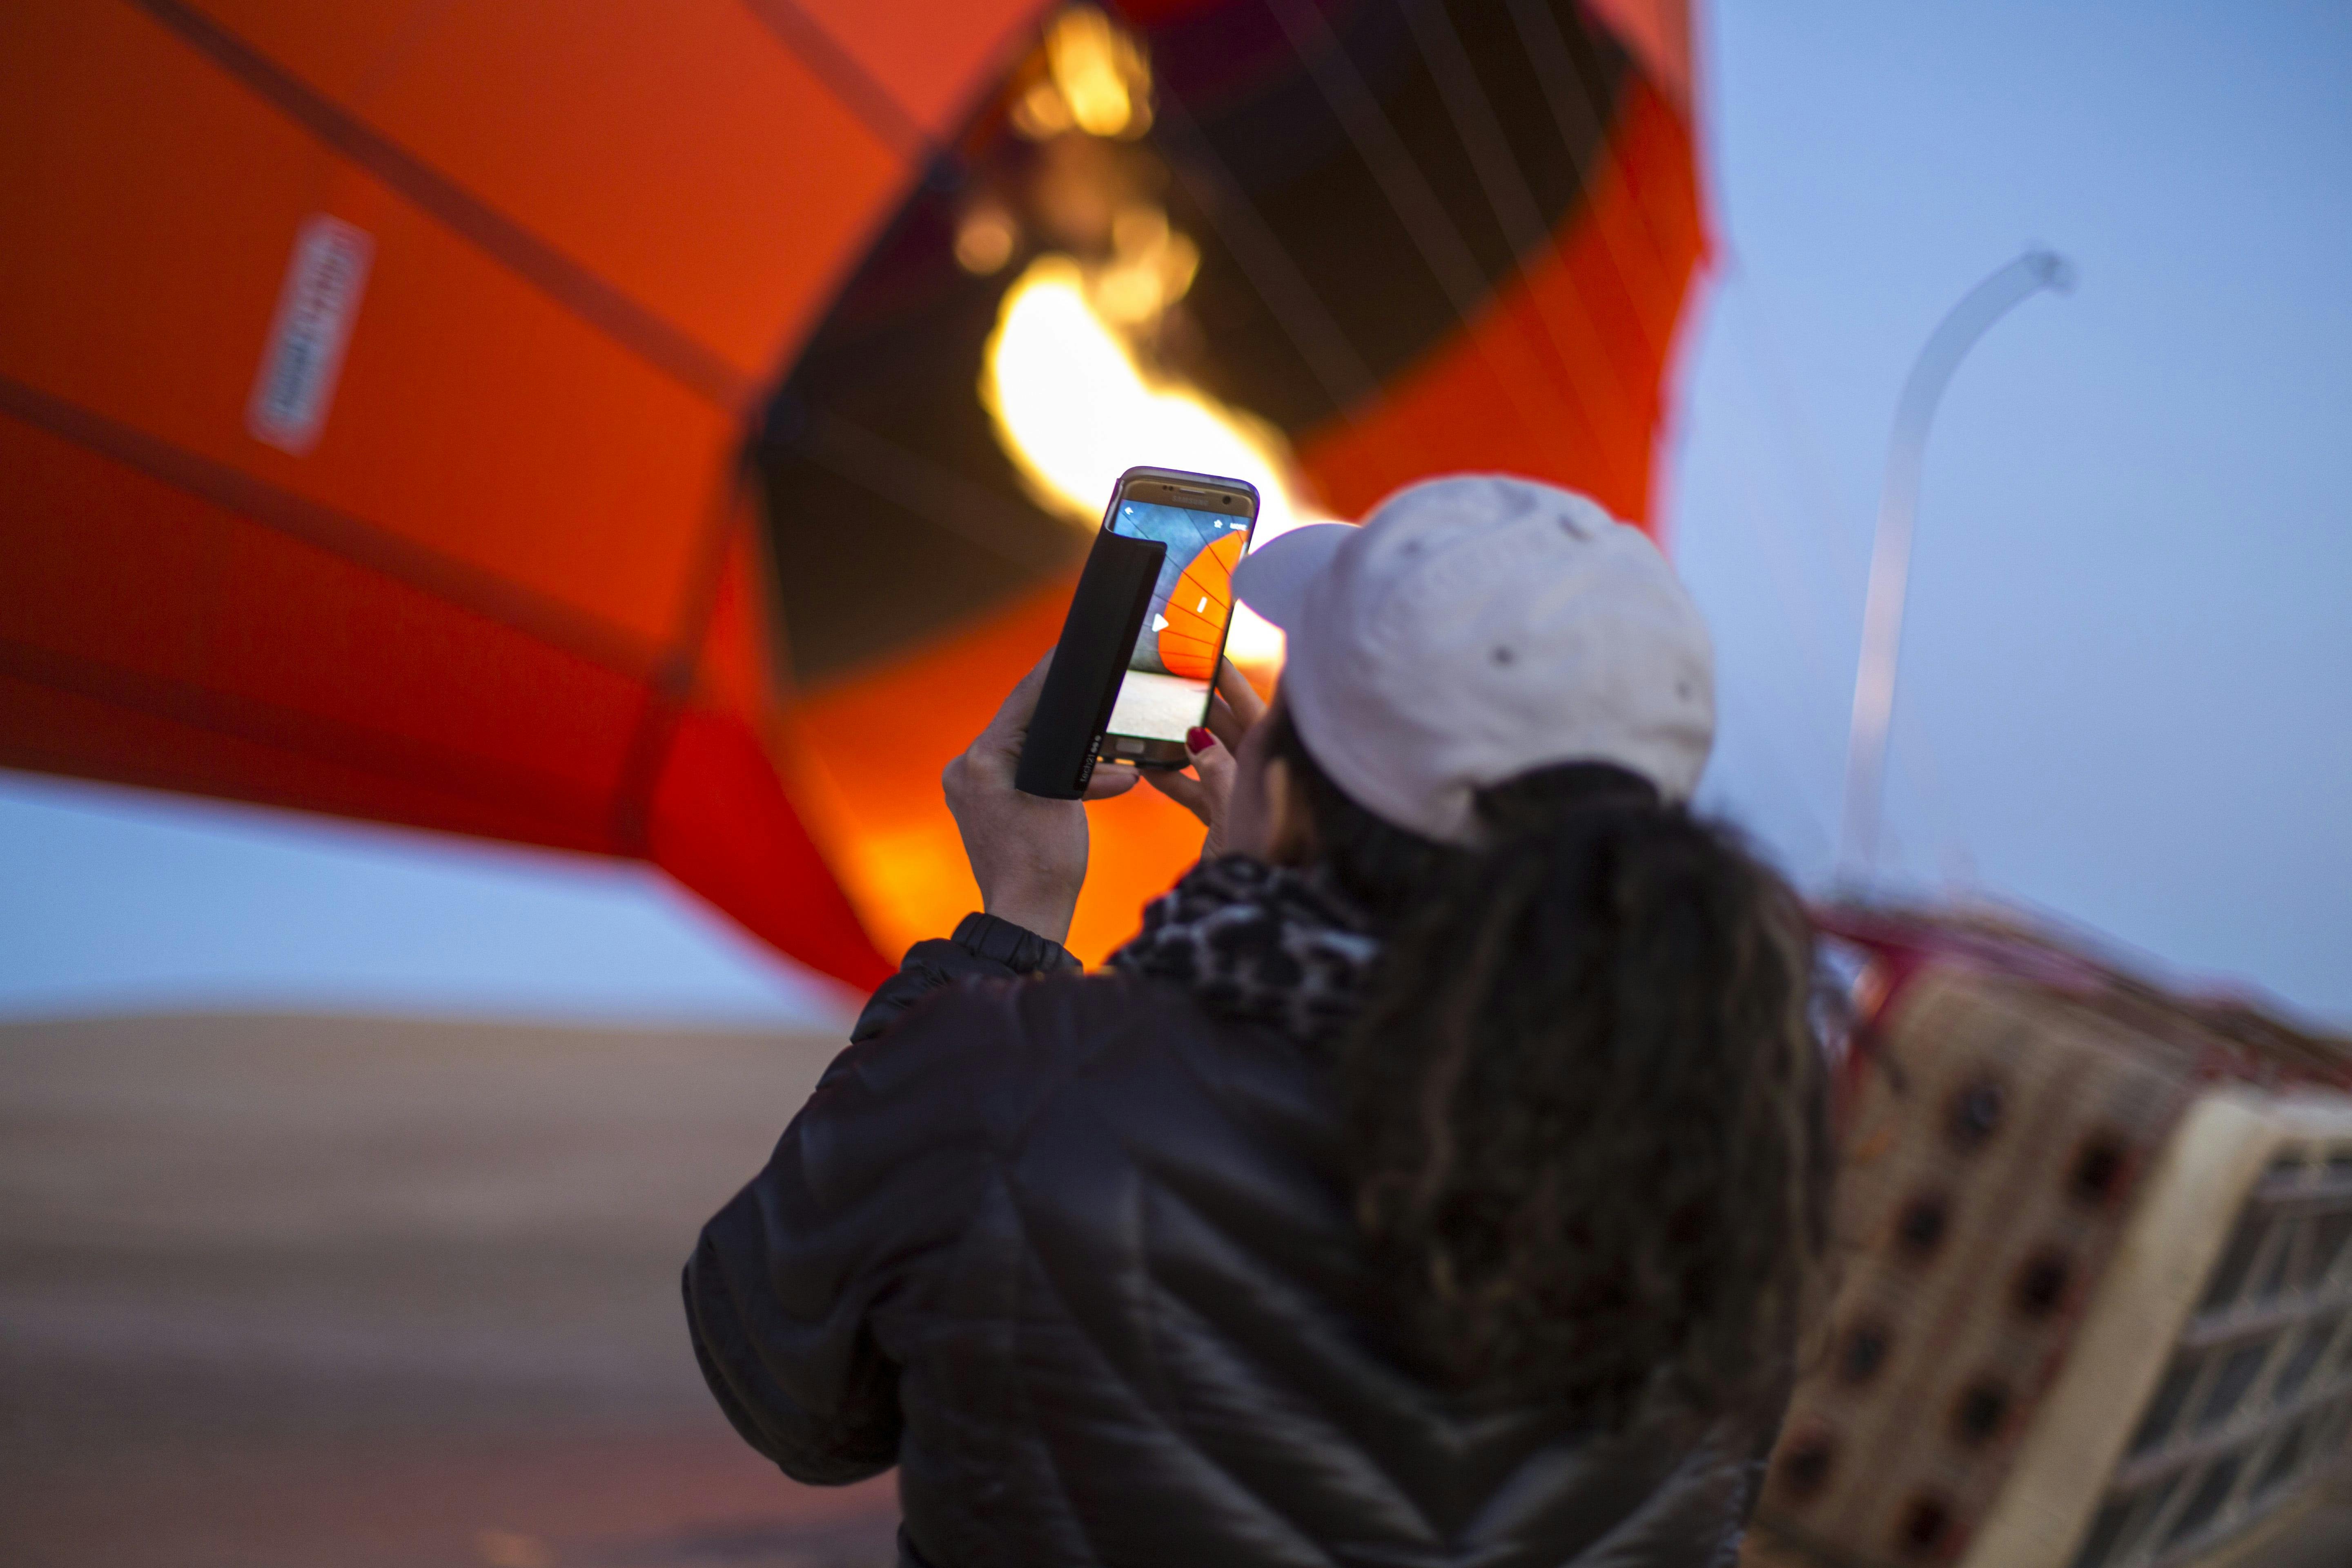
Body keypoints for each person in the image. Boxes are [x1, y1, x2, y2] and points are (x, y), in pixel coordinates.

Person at [684, 475, 1833, 1568]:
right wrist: (1269, 889)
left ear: (1296, 790)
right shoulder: (1725, 1144)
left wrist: (1015, 923)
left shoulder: (1012, 1085)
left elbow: (787, 1390)